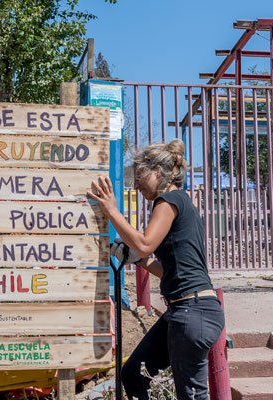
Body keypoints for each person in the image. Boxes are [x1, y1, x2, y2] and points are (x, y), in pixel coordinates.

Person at [87, 139, 225, 400]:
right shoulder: (180, 202)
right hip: (187, 310)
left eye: (140, 176)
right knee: (133, 374)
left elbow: (145, 243)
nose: (136, 184)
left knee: (192, 396)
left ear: (159, 172)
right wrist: (137, 259)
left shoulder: (168, 200)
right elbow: (169, 269)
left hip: (192, 313)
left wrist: (112, 211)